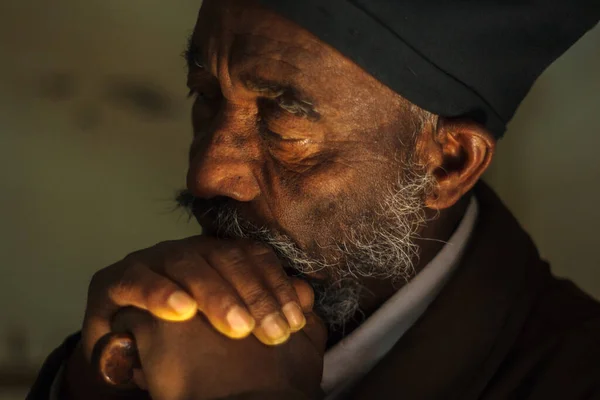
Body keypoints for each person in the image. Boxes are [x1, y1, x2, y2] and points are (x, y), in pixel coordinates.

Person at [28, 0, 600, 399]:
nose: (208, 174)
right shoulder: (145, 337)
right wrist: (86, 388)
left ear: (448, 163)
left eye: (284, 124)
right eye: (204, 96)